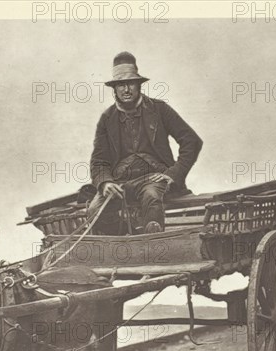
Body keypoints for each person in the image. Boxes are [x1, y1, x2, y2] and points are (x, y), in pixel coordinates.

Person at [87, 51, 203, 235]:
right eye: (120, 85)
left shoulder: (159, 109)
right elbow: (99, 162)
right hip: (120, 183)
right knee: (94, 210)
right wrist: (105, 183)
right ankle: (123, 243)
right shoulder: (107, 119)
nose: (126, 90)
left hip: (153, 179)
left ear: (139, 85)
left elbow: (192, 141)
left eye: (131, 83)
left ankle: (153, 245)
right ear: (114, 89)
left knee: (152, 197)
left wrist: (173, 174)